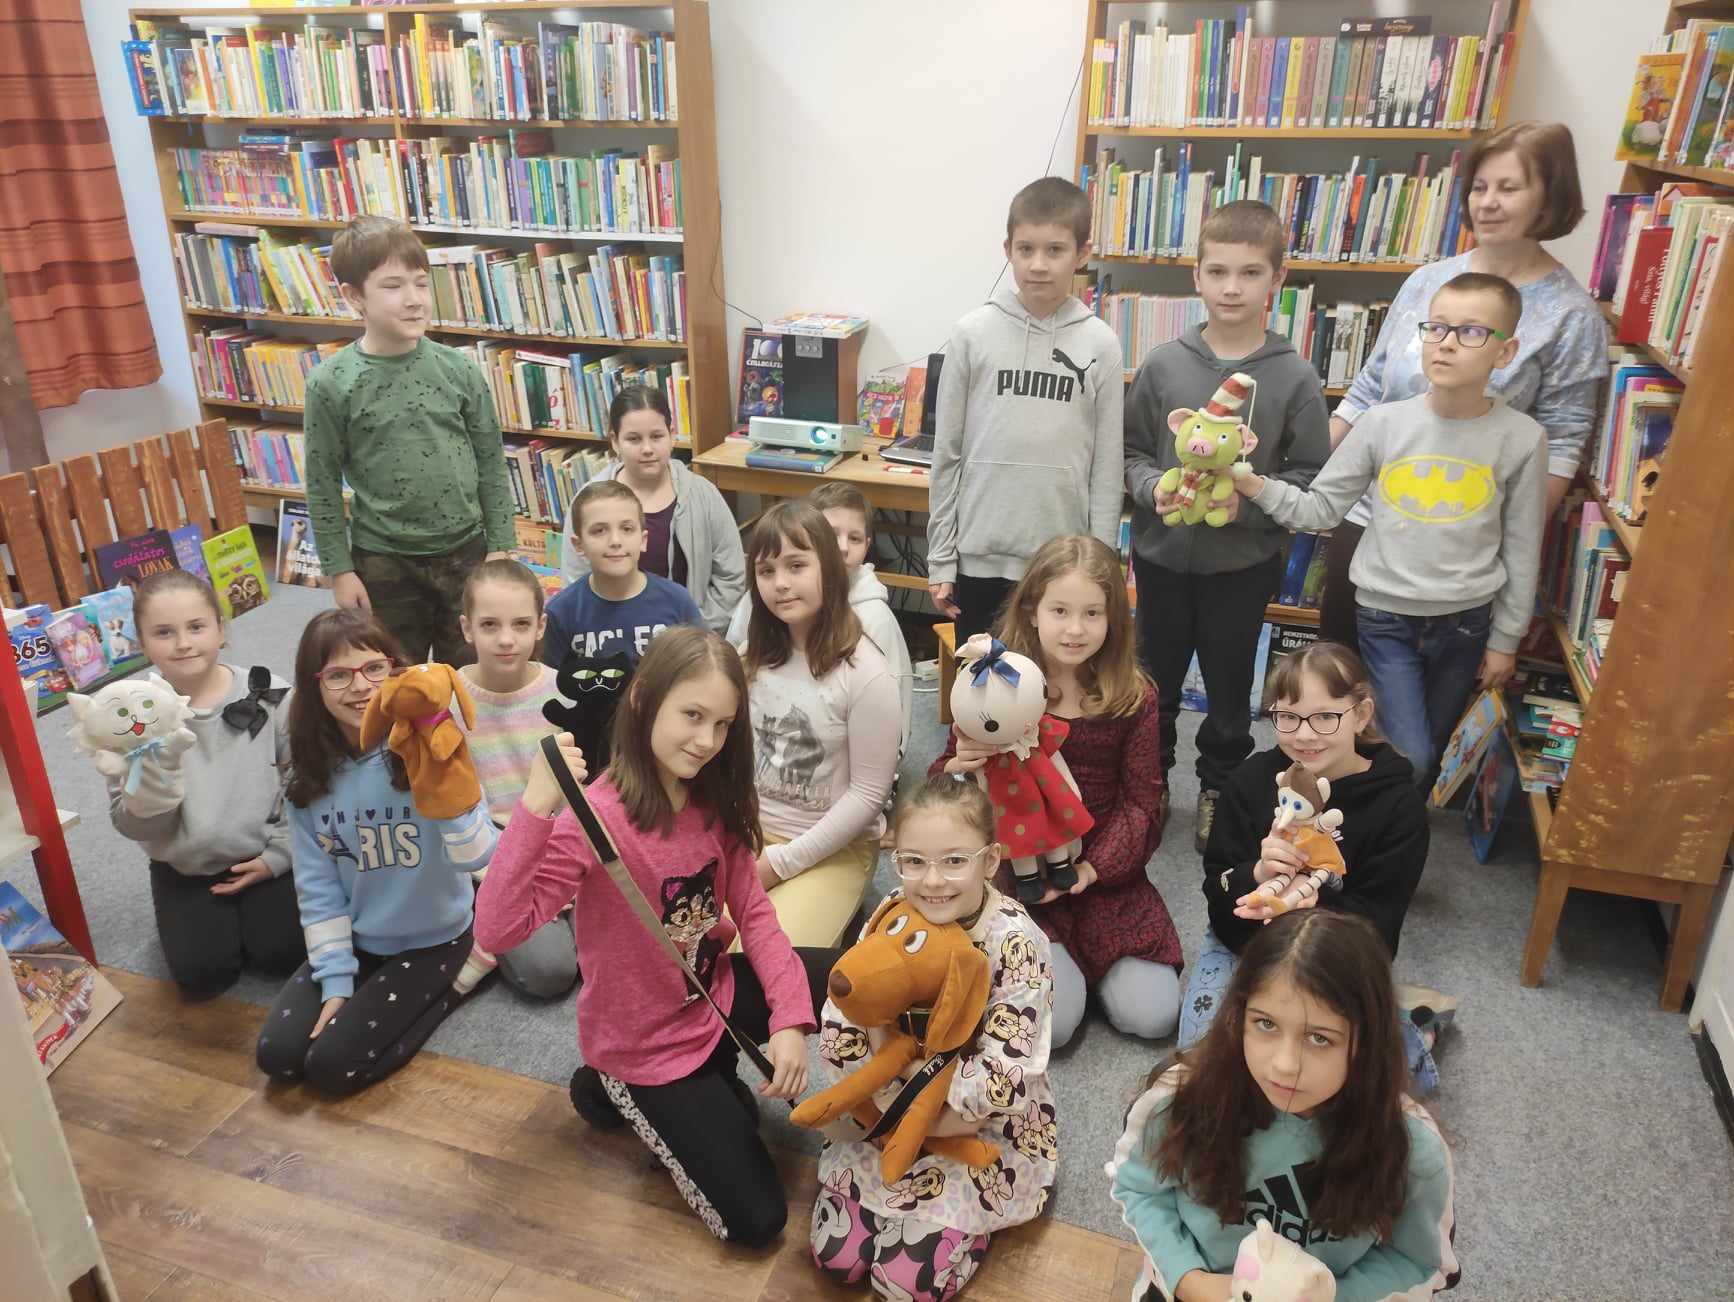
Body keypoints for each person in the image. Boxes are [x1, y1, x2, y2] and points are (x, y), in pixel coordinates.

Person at [473, 626, 833, 1247]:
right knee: (757, 1222)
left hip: (711, 996)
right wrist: (535, 806)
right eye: (692, 716)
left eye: (722, 724)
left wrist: (790, 1019)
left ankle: (655, 1084)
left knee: (851, 976)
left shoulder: (715, 796)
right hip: (645, 1045)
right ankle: (612, 1084)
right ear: (643, 700)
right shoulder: (594, 818)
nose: (707, 741)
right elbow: (498, 928)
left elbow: (755, 915)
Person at [1233, 273, 1547, 783]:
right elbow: (1321, 509)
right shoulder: (1382, 423)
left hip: (1466, 622)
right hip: (1386, 617)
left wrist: (1506, 640)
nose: (1446, 343)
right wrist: (1253, 485)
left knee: (1432, 751)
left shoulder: (1523, 438)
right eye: (1437, 327)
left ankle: (1390, 821)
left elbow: (1523, 545)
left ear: (1505, 351)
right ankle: (1375, 815)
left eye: (1470, 332)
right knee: (1411, 756)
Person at [1320, 121, 1607, 647]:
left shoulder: (1571, 315)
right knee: (1338, 671)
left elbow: (1562, 447)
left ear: (1550, 197)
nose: (1488, 202)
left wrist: (1502, 540)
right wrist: (1307, 479)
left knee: (1423, 687)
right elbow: (1368, 389)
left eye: (1509, 188)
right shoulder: (1426, 282)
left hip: (1459, 548)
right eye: (1479, 187)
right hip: (1368, 523)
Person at [1108, 910, 1459, 1302]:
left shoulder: (1412, 1150)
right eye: (1266, 1024)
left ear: (1367, 1043)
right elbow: (1140, 1189)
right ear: (1238, 1016)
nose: (1285, 1064)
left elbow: (1418, 1263)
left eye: (1320, 1038)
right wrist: (1189, 1280)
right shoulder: (1181, 1098)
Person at [1124, 200, 1330, 850]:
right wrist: (1153, 488)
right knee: (1151, 684)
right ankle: (1150, 786)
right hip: (1160, 559)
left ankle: (1219, 788)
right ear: (1197, 276)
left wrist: (1254, 503)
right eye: (1217, 271)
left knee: (1229, 689)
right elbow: (1129, 454)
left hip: (1242, 568)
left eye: (1249, 272)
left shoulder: (1294, 376)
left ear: (1278, 279)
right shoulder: (1163, 364)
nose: (1232, 287)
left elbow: (1309, 476)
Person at [811, 775, 1055, 1301]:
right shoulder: (891, 912)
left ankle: (970, 1226)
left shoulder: (1017, 942)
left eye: (955, 860)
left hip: (972, 1124)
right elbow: (846, 1010)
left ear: (991, 861)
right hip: (884, 1107)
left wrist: (927, 1110)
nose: (933, 881)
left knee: (907, 1284)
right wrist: (879, 1103)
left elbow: (1006, 1072)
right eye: (914, 861)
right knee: (835, 1257)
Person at [932, 535, 1178, 1050]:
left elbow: (1142, 804)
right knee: (1057, 1026)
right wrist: (958, 766)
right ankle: (1063, 972)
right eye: (1060, 611)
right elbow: (941, 789)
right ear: (1032, 610)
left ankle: (1086, 969)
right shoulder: (995, 684)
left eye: (1092, 613)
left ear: (1113, 618)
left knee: (1153, 1015)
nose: (1075, 629)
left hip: (1101, 874)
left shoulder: (1134, 695)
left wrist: (1091, 870)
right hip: (1021, 873)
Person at [256, 610, 500, 1095]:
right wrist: (336, 981)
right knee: (278, 1056)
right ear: (314, 687)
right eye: (338, 675)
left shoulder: (428, 746)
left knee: (332, 1069)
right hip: (361, 938)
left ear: (395, 671)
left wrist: (444, 787)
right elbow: (318, 889)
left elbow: (478, 856)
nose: (360, 686)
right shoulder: (308, 779)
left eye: (373, 668)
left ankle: (460, 985)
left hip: (437, 939)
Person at [1184, 642, 1429, 1052]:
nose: (1304, 734)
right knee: (1203, 1053)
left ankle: (1421, 1027)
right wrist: (1257, 873)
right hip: (1245, 947)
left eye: (1326, 717)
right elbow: (1217, 889)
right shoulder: (1249, 780)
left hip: (1336, 960)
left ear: (1361, 715)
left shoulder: (1398, 807)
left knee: (1368, 1069)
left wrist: (1313, 903)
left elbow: (1380, 930)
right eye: (1288, 717)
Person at [303, 214, 516, 665]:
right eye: (393, 286)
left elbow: (490, 461)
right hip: (384, 561)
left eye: (421, 283)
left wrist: (500, 543)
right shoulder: (331, 383)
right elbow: (321, 484)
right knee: (397, 678)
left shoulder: (459, 370)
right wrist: (340, 570)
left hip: (467, 552)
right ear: (354, 296)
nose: (414, 299)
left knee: (471, 675)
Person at [927, 176, 1124, 641]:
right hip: (979, 557)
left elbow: (1107, 467)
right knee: (985, 680)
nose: (1038, 264)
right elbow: (947, 454)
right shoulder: (972, 334)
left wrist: (1100, 563)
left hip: (1063, 564)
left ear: (1082, 254)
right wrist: (941, 557)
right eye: (1026, 249)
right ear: (1007, 250)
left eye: (1055, 250)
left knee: (1058, 679)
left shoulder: (1101, 343)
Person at [107, 569, 303, 997]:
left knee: (282, 956)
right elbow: (130, 823)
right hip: (185, 865)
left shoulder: (272, 693)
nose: (183, 643)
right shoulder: (126, 715)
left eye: (196, 627)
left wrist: (280, 855)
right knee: (202, 978)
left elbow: (303, 783)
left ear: (221, 630)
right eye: (164, 632)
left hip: (263, 852)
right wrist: (149, 791)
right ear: (141, 644)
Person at [743, 501, 901, 947]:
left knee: (764, 957)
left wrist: (780, 864)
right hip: (750, 832)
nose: (780, 583)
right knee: (693, 938)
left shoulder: (866, 672)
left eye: (796, 566)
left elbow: (869, 795)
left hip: (833, 848)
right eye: (766, 571)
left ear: (829, 570)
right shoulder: (749, 657)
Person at [456, 558, 573, 1000]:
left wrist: (563, 874)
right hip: (493, 859)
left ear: (541, 626)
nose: (506, 639)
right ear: (467, 628)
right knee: (550, 971)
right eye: (490, 625)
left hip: (558, 847)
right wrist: (513, 877)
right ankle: (482, 928)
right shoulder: (447, 701)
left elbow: (581, 798)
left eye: (521, 624)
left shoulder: (565, 694)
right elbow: (452, 815)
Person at [727, 481, 914, 752]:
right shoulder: (764, 599)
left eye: (855, 538)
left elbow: (891, 714)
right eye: (832, 534)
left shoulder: (874, 617)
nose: (842, 548)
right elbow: (735, 666)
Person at [558, 385, 745, 633]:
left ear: (672, 435)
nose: (647, 449)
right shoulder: (589, 501)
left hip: (691, 638)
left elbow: (730, 576)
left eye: (657, 436)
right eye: (634, 439)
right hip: (615, 639)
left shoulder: (703, 494)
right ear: (615, 441)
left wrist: (694, 632)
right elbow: (575, 580)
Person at [543, 479, 704, 669]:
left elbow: (700, 670)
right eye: (599, 531)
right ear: (578, 545)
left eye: (627, 529)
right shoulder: (560, 612)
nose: (615, 541)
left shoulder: (678, 601)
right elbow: (553, 679)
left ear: (643, 540)